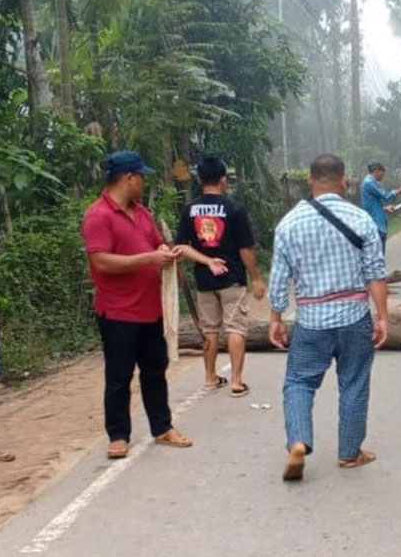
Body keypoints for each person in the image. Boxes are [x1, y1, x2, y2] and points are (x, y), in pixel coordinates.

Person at [82, 151, 219, 459]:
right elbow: (101, 261)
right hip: (118, 311)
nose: (144, 182)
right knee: (119, 375)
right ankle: (118, 435)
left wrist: (163, 251)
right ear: (129, 178)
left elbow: (157, 242)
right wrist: (148, 258)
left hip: (150, 308)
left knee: (155, 370)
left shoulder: (141, 213)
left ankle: (162, 426)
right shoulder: (98, 216)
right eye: (141, 177)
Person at [268, 154, 389, 481]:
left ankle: (298, 442)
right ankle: (349, 453)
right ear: (343, 180)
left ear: (310, 180)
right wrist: (382, 317)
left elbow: (279, 279)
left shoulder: (289, 224)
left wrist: (276, 317)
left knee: (298, 382)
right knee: (354, 383)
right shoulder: (361, 219)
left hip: (311, 321)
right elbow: (376, 273)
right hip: (354, 319)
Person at [175, 156, 265, 398]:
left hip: (205, 280)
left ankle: (210, 378)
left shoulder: (189, 209)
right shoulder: (234, 208)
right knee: (236, 327)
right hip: (232, 277)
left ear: (199, 180)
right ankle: (236, 381)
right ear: (223, 180)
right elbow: (246, 248)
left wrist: (206, 261)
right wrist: (256, 277)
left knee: (210, 329)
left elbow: (181, 247)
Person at [360, 161, 401, 251]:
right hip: (376, 224)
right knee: (378, 255)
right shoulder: (370, 182)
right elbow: (387, 196)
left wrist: (385, 208)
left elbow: (372, 203)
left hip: (375, 222)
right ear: (376, 171)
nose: (383, 176)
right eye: (382, 173)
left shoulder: (369, 181)